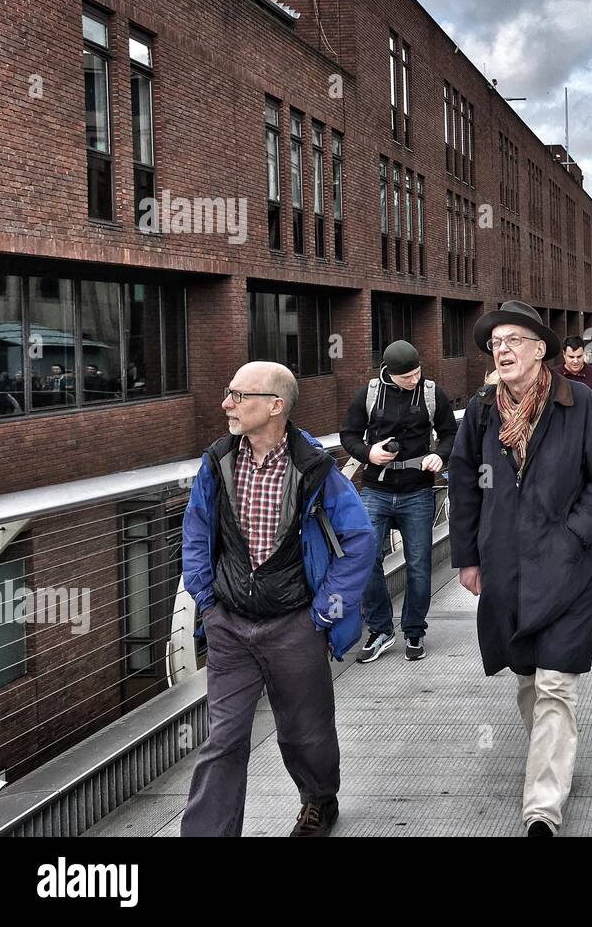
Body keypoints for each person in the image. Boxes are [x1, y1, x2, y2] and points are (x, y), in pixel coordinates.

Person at [448, 300, 592, 836]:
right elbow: (463, 482)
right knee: (527, 678)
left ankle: (542, 808)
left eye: (511, 341)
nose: (500, 350)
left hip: (573, 569)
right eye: (494, 343)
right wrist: (468, 555)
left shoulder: (583, 406)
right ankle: (555, 756)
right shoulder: (482, 411)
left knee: (555, 683)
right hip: (507, 568)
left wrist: (574, 534)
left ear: (540, 350)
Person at [180, 361, 374, 837]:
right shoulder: (218, 461)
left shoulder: (315, 468)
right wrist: (208, 601)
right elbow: (196, 531)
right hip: (231, 625)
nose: (226, 403)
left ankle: (318, 802)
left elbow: (360, 540)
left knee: (305, 731)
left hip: (295, 625)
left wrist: (322, 614)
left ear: (275, 406)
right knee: (223, 739)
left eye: (238, 395)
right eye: (229, 393)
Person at [341, 340, 458, 664]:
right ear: (390, 375)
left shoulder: (433, 393)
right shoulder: (369, 394)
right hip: (375, 490)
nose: (414, 380)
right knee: (365, 561)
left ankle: (414, 631)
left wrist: (438, 455)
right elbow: (348, 434)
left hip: (418, 491)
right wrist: (369, 453)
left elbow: (449, 433)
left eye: (418, 373)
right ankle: (380, 630)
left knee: (419, 566)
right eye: (408, 377)